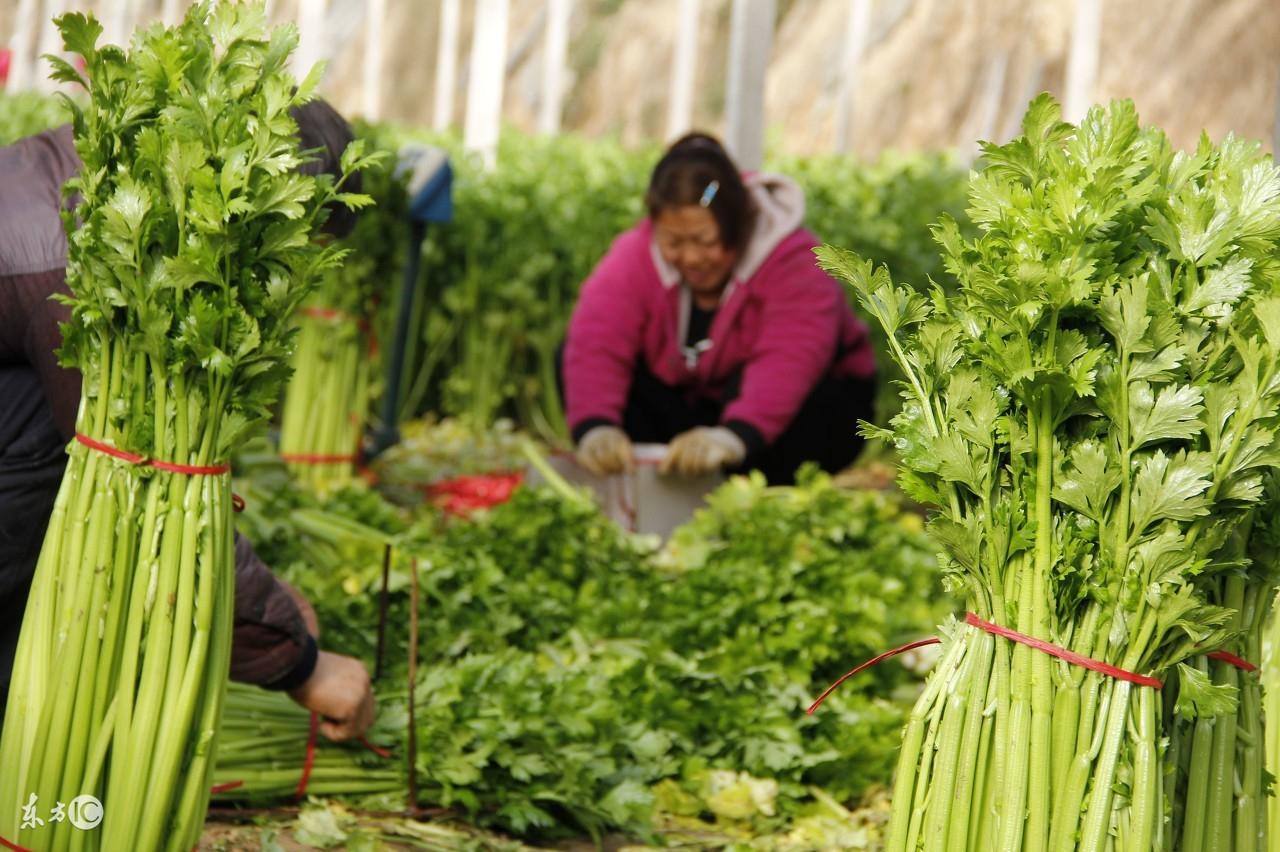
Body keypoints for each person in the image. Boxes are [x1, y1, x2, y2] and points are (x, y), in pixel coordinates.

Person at [0, 99, 374, 741]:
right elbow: (152, 486)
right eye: (293, 253)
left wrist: (270, 604)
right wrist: (301, 663)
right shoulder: (88, 263)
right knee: (71, 440)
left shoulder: (105, 179)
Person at [562, 132, 877, 485]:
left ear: (737, 226)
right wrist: (596, 426)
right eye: (674, 242)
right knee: (576, 359)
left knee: (813, 410)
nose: (691, 257)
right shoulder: (635, 254)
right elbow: (597, 337)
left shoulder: (794, 260)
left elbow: (790, 357)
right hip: (698, 402)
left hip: (797, 408)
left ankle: (756, 488)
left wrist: (735, 436)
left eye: (705, 241)